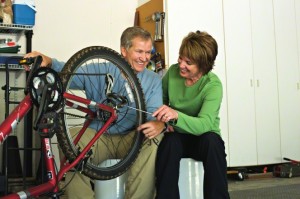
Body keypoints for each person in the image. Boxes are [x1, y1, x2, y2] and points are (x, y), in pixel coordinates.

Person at [24, 26, 165, 199]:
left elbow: (153, 113)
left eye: (148, 52)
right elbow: (70, 71)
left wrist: (158, 123)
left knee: (154, 139)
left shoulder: (154, 80)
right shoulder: (101, 69)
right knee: (71, 142)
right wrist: (48, 60)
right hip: (97, 135)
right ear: (124, 50)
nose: (144, 58)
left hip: (131, 138)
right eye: (139, 51)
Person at [152, 30, 230, 199]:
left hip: (203, 139)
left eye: (188, 62)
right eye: (181, 58)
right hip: (178, 137)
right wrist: (164, 122)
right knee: (169, 143)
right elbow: (161, 103)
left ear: (203, 65)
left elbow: (205, 124)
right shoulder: (172, 73)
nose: (181, 64)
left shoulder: (213, 85)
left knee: (212, 142)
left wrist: (176, 116)